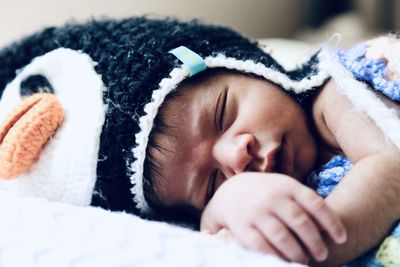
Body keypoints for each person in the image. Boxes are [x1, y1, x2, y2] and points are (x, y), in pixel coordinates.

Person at [0, 17, 398, 266]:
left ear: (253, 69)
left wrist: (324, 241)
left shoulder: (335, 94)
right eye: (210, 183)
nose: (234, 155)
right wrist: (226, 211)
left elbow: (390, 164)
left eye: (223, 113)